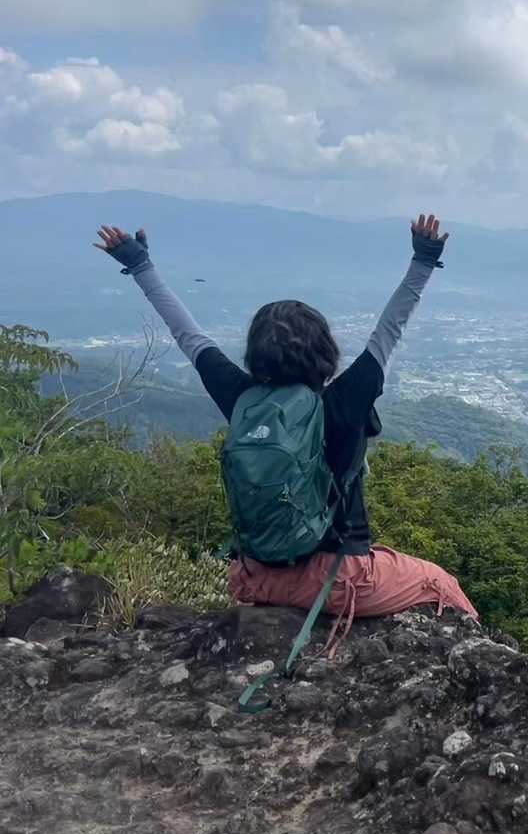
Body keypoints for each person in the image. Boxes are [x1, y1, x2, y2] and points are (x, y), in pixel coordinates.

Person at [94, 214, 478, 641]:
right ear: (325, 351)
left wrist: (140, 265)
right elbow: (391, 329)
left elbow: (188, 334)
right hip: (336, 579)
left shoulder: (243, 400)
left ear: (255, 353)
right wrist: (423, 259)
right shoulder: (346, 399)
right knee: (440, 583)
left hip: (253, 579)